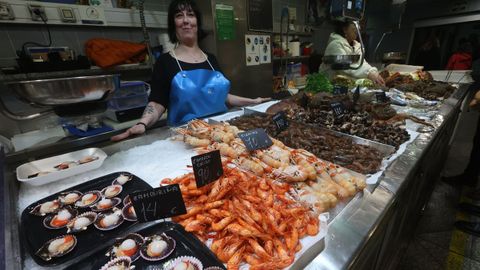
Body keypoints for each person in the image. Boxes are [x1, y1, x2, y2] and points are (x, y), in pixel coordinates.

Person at [112, 0, 270, 141]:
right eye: (179, 15)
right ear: (173, 24)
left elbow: (220, 96)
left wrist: (252, 102)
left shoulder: (211, 59)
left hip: (222, 134)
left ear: (197, 22)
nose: (186, 20)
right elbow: (158, 101)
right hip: (186, 139)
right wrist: (143, 123)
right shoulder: (165, 62)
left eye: (191, 15)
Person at [319, 20, 385, 86]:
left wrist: (372, 71)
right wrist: (368, 73)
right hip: (330, 87)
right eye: (354, 25)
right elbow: (345, 67)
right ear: (345, 29)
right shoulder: (335, 45)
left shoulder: (356, 45)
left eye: (358, 25)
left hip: (348, 86)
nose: (358, 28)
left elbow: (362, 63)